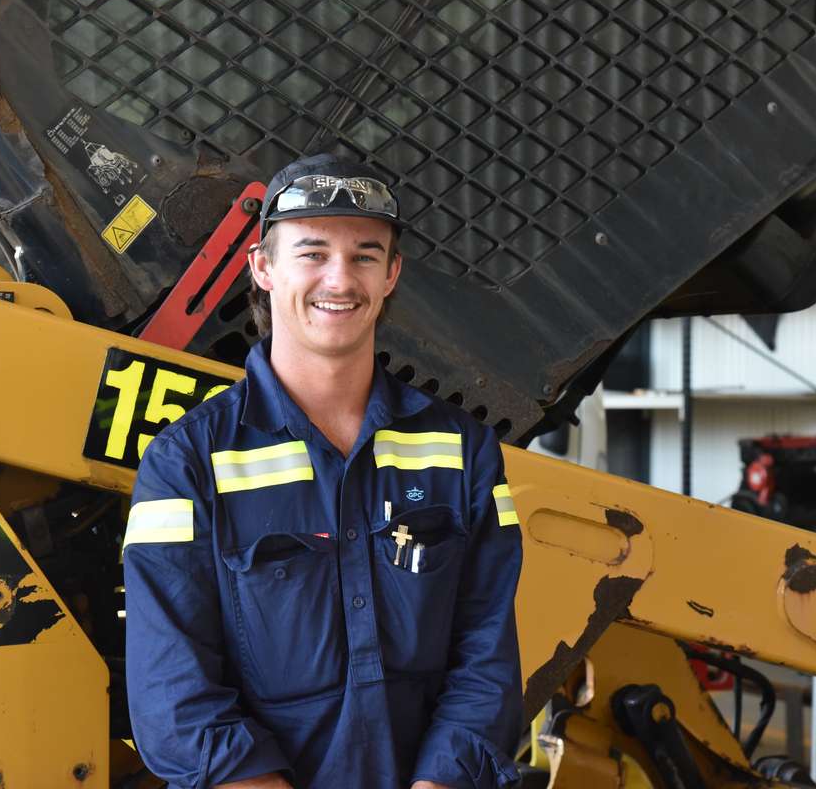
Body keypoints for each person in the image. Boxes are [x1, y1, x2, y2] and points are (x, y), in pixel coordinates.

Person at [123, 153, 524, 789]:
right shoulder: (187, 464)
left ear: (391, 274)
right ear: (263, 268)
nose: (340, 280)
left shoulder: (463, 452)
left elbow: (486, 657)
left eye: (365, 255)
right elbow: (173, 694)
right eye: (312, 253)